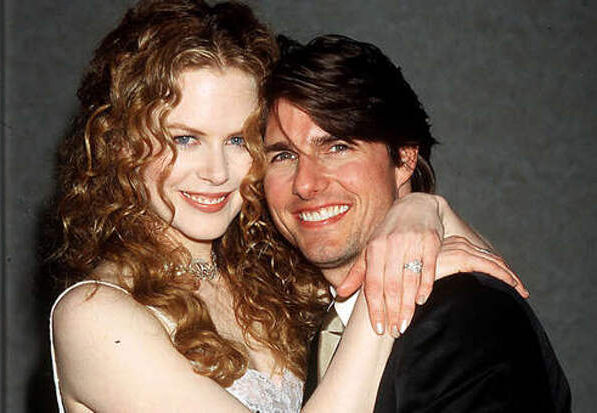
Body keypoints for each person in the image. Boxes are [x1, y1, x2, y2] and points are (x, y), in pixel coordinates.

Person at [48, 1, 525, 411]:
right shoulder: (93, 315)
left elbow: (491, 291)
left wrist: (423, 210)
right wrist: (387, 281)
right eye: (185, 138)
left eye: (238, 140)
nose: (216, 172)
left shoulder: (272, 280)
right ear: (121, 144)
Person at [261, 34, 572, 412]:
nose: (306, 184)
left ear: (405, 158)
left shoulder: (462, 318)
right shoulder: (301, 325)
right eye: (283, 156)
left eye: (337, 147)